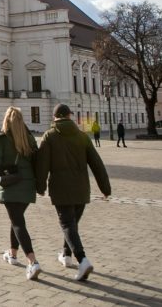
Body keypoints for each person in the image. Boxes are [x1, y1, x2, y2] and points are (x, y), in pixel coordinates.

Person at [34, 104, 111, 282]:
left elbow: (42, 165)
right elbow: (97, 164)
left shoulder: (50, 136)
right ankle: (66, 256)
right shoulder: (82, 136)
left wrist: (40, 187)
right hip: (82, 189)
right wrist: (105, 188)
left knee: (67, 224)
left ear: (55, 117)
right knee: (72, 224)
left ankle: (82, 259)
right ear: (69, 116)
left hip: (61, 189)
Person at [0, 107, 41, 281]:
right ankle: (13, 254)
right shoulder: (29, 138)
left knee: (18, 223)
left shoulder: (2, 138)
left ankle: (33, 262)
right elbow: (37, 160)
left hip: (11, 185)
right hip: (28, 185)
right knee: (16, 219)